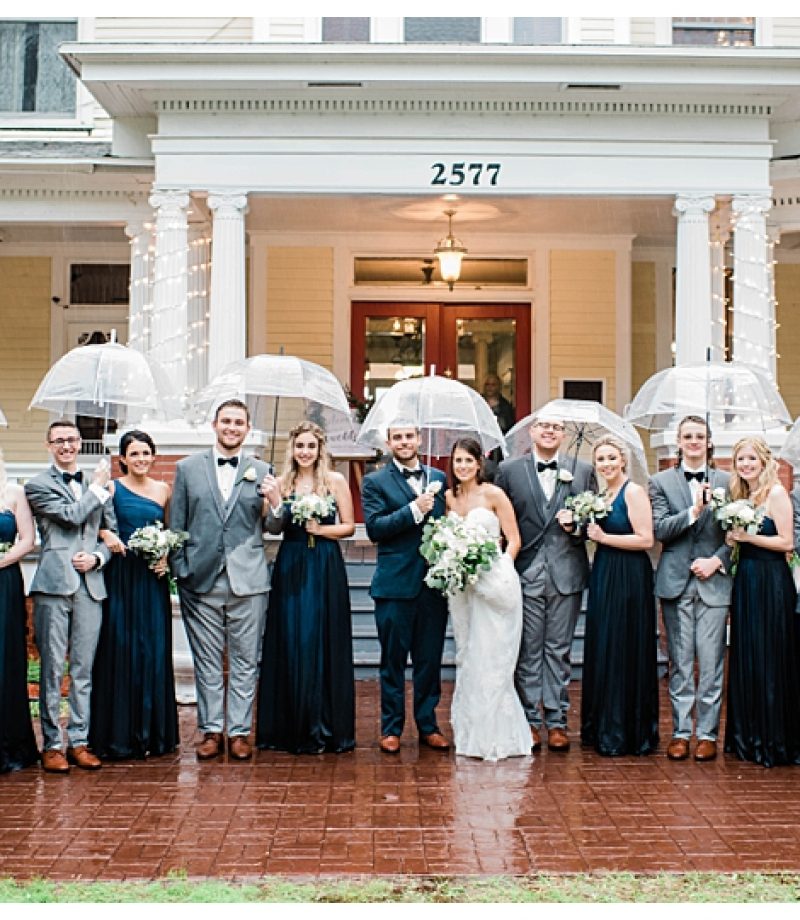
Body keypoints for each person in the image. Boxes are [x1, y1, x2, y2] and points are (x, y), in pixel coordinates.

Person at [170, 399, 283, 761]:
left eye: (238, 422)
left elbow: (272, 526)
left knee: (245, 659)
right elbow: (177, 525)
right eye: (226, 421)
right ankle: (211, 730)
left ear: (247, 429)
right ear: (215, 425)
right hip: (200, 579)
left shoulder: (262, 470)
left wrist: (277, 502)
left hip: (247, 578)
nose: (232, 427)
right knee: (206, 659)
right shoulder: (187, 469)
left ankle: (238, 732)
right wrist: (182, 570)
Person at [494, 411, 596, 752]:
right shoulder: (509, 470)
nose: (550, 431)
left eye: (556, 427)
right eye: (544, 426)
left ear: (563, 434)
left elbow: (593, 520)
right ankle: (529, 720)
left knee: (559, 649)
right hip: (525, 571)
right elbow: (500, 521)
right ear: (532, 431)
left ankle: (557, 720)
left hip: (566, 570)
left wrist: (576, 526)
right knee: (528, 649)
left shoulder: (582, 471)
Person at [257, 421, 356, 755]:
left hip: (325, 563)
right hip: (293, 563)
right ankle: (290, 726)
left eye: (311, 446)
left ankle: (326, 726)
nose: (305, 452)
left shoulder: (336, 481)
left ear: (320, 449)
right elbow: (271, 527)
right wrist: (273, 501)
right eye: (300, 445)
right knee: (292, 636)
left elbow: (348, 526)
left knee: (323, 636)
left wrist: (320, 529)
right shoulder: (282, 483)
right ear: (292, 448)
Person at [25, 419, 117, 773]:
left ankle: (79, 740)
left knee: (83, 668)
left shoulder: (100, 486)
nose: (66, 446)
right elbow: (68, 517)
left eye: (72, 440)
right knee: (51, 668)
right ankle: (51, 744)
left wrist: (98, 557)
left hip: (90, 586)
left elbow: (111, 533)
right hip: (53, 586)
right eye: (59, 441)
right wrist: (96, 488)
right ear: (49, 445)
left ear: (80, 443)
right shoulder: (37, 485)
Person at [361, 421, 450, 754]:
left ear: (419, 439)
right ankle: (391, 728)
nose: (403, 442)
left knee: (430, 660)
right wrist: (414, 510)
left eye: (409, 436)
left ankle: (428, 725)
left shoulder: (438, 478)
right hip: (394, 585)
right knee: (393, 661)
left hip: (432, 586)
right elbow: (375, 528)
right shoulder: (375, 481)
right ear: (388, 442)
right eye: (397, 437)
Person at [89, 430, 178, 759]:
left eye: (146, 453)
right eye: (134, 454)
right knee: (120, 647)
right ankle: (120, 733)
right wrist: (106, 533)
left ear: (153, 457)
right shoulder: (111, 488)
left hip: (150, 580)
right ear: (122, 459)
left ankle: (152, 734)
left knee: (152, 649)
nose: (141, 459)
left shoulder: (163, 490)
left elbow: (170, 531)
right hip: (120, 576)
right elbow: (91, 523)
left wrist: (165, 556)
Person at [648, 415, 732, 762]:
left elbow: (738, 532)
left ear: (709, 442)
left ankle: (708, 734)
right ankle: (681, 732)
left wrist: (717, 559)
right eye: (688, 436)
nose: (694, 441)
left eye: (700, 436)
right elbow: (660, 529)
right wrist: (694, 511)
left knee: (711, 662)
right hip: (676, 582)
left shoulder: (727, 480)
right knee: (680, 662)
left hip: (714, 581)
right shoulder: (660, 481)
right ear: (678, 442)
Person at [445, 437, 531, 761]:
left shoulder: (494, 494)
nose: (463, 466)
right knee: (468, 655)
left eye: (468, 460)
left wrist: (500, 568)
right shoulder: (450, 498)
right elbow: (447, 538)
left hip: (494, 584)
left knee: (493, 658)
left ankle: (500, 737)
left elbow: (514, 540)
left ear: (480, 463)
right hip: (463, 590)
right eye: (457, 461)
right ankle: (472, 735)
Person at [577, 436, 659, 757]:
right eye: (601, 460)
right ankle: (602, 725)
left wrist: (604, 537)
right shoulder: (600, 494)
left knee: (625, 644)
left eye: (612, 458)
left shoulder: (634, 492)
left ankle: (627, 730)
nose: (607, 464)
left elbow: (646, 539)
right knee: (605, 643)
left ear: (623, 460)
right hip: (605, 572)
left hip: (629, 576)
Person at [724, 437, 800, 768]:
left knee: (771, 654)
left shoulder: (776, 493)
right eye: (741, 459)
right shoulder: (741, 496)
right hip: (746, 581)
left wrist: (748, 537)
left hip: (771, 582)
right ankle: (747, 735)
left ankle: (773, 739)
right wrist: (732, 538)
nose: (746, 464)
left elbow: (786, 542)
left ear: (764, 460)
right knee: (748, 651)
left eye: (751, 458)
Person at [0, 449, 38, 773]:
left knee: (6, 656)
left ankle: (10, 743)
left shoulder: (13, 492)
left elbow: (27, 539)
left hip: (5, 581)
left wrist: (2, 560)